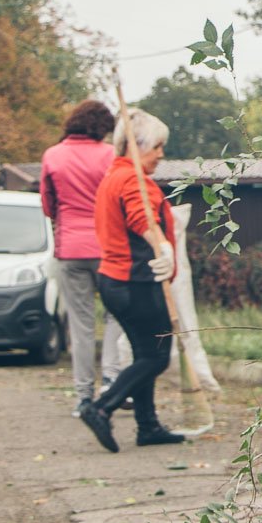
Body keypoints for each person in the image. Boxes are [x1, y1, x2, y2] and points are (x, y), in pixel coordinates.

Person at [78, 107, 182, 453]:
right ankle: (101, 407)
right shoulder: (133, 181)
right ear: (137, 146)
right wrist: (163, 246)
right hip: (135, 282)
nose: (162, 154)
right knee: (155, 357)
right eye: (157, 147)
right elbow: (143, 220)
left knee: (143, 354)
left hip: (114, 281)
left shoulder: (113, 176)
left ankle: (148, 425)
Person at [40, 100, 127, 417]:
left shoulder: (52, 156)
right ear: (103, 128)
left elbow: (48, 207)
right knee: (116, 315)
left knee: (80, 326)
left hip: (71, 251)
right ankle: (110, 379)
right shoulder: (110, 156)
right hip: (108, 248)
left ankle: (83, 398)